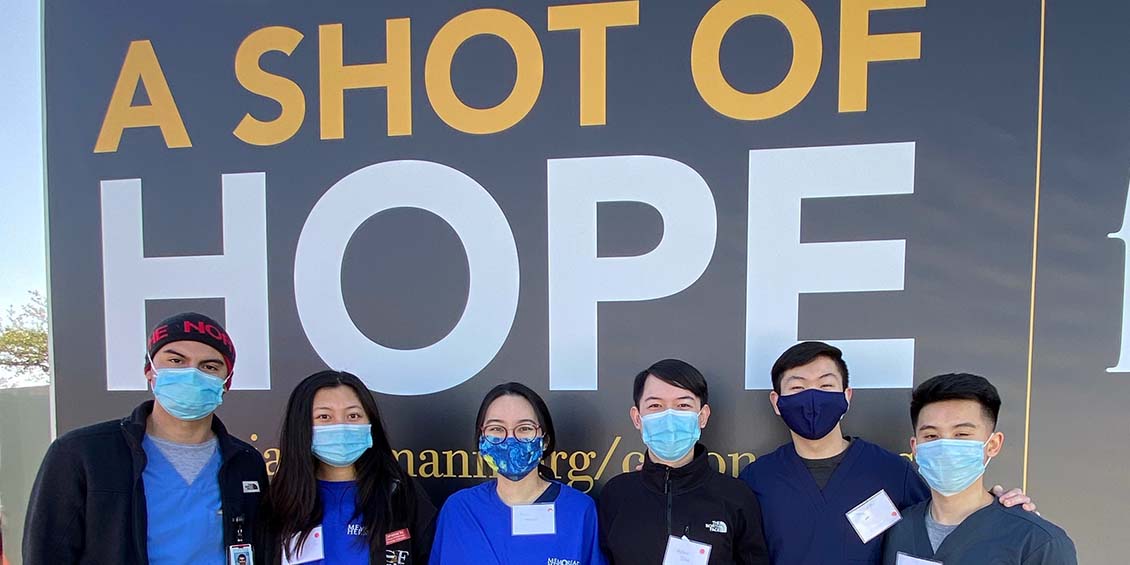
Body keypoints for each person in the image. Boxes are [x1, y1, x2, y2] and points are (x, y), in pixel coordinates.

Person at [739, 342, 1035, 564]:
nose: (812, 398)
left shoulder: (894, 472)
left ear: (847, 396)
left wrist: (1000, 510)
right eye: (798, 387)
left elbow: (949, 520)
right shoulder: (756, 479)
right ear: (777, 402)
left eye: (826, 385)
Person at [23, 312, 268, 565]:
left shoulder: (246, 462)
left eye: (209, 367)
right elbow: (47, 553)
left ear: (227, 382)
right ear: (150, 371)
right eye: (176, 360)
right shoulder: (82, 453)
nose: (192, 374)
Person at [882, 373, 1076, 564]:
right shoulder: (899, 528)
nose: (945, 447)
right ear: (915, 447)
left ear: (993, 444)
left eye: (962, 434)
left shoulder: (1037, 542)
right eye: (931, 436)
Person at [599, 359, 769, 565]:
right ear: (637, 418)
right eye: (655, 405)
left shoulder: (735, 497)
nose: (669, 416)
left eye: (683, 405)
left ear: (702, 416)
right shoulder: (616, 495)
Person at [263, 370, 435, 565]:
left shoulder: (400, 494)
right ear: (301, 427)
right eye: (324, 417)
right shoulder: (280, 503)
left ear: (370, 423)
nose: (342, 427)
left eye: (353, 415)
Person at [430, 382, 605, 565]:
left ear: (544, 440)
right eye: (496, 429)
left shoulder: (579, 510)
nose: (510, 439)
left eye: (524, 428)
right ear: (482, 439)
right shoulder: (459, 510)